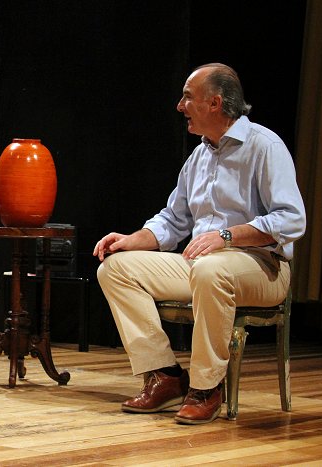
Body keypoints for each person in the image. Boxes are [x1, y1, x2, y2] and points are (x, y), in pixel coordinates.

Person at [94, 63, 306, 425]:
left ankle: (207, 388)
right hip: (202, 264)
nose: (180, 106)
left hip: (263, 268)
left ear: (215, 103)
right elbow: (173, 219)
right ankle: (164, 375)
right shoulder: (200, 156)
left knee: (210, 270)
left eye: (187, 97)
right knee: (115, 269)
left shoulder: (265, 147)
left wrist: (227, 236)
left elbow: (291, 219)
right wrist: (132, 240)